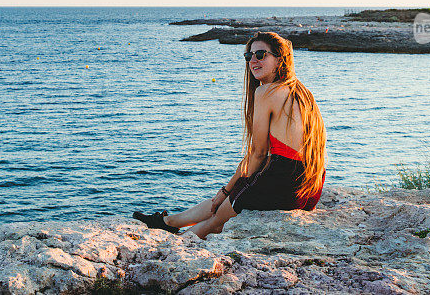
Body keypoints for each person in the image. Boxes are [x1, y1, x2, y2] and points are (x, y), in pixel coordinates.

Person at [133, 31, 327, 239]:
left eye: (261, 55)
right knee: (230, 197)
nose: (253, 60)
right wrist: (227, 190)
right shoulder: (302, 93)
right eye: (249, 56)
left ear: (280, 59)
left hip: (283, 181)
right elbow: (265, 156)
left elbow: (259, 153)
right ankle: (167, 222)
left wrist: (226, 191)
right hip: (309, 187)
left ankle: (174, 246)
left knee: (216, 221)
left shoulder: (266, 92)